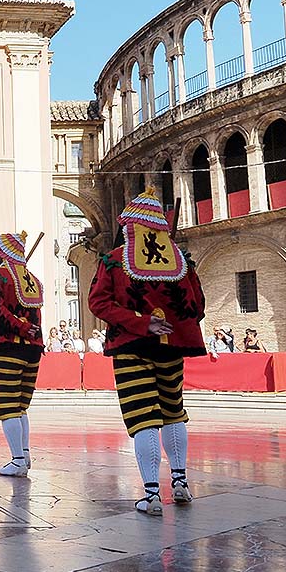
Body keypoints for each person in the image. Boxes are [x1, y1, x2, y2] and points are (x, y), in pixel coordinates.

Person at [88, 189, 205, 517]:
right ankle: (180, 483)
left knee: (143, 419)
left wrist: (141, 323)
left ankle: (152, 494)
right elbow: (197, 305)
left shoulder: (114, 259)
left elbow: (98, 302)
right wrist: (173, 325)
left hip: (131, 347)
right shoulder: (182, 262)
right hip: (172, 349)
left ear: (131, 226)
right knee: (173, 412)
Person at [0, 232, 45, 478]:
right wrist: (30, 332)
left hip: (7, 345)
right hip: (33, 348)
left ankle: (18, 459)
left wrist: (19, 327)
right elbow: (36, 318)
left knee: (8, 406)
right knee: (20, 406)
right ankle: (25, 453)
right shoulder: (34, 279)